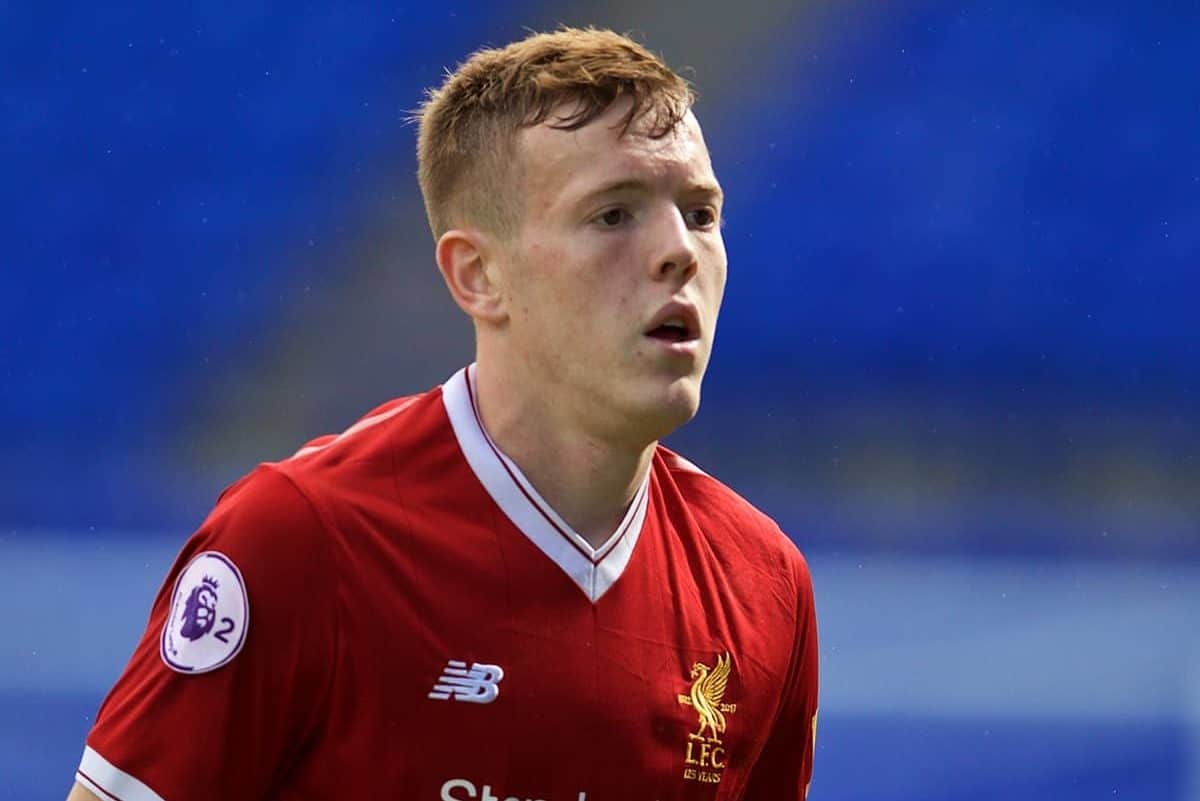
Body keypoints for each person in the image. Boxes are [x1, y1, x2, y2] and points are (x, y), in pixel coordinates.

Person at [67, 26, 819, 801]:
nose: (680, 251)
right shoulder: (302, 541)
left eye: (700, 213)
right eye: (613, 214)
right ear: (478, 275)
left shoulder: (766, 584)